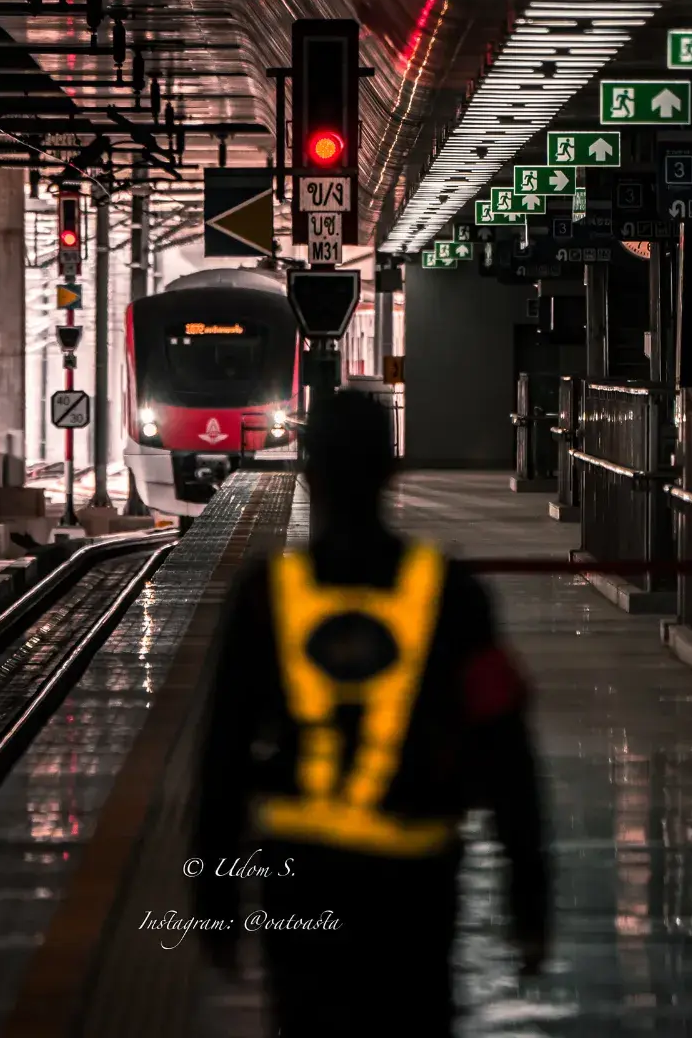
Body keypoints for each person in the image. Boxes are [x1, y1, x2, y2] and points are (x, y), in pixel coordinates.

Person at [191, 388, 549, 1037]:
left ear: (309, 474)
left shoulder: (266, 594)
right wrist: (529, 896)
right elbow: (506, 752)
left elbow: (222, 756)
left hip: (299, 882)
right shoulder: (452, 592)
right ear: (391, 472)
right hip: (415, 884)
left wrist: (215, 903)